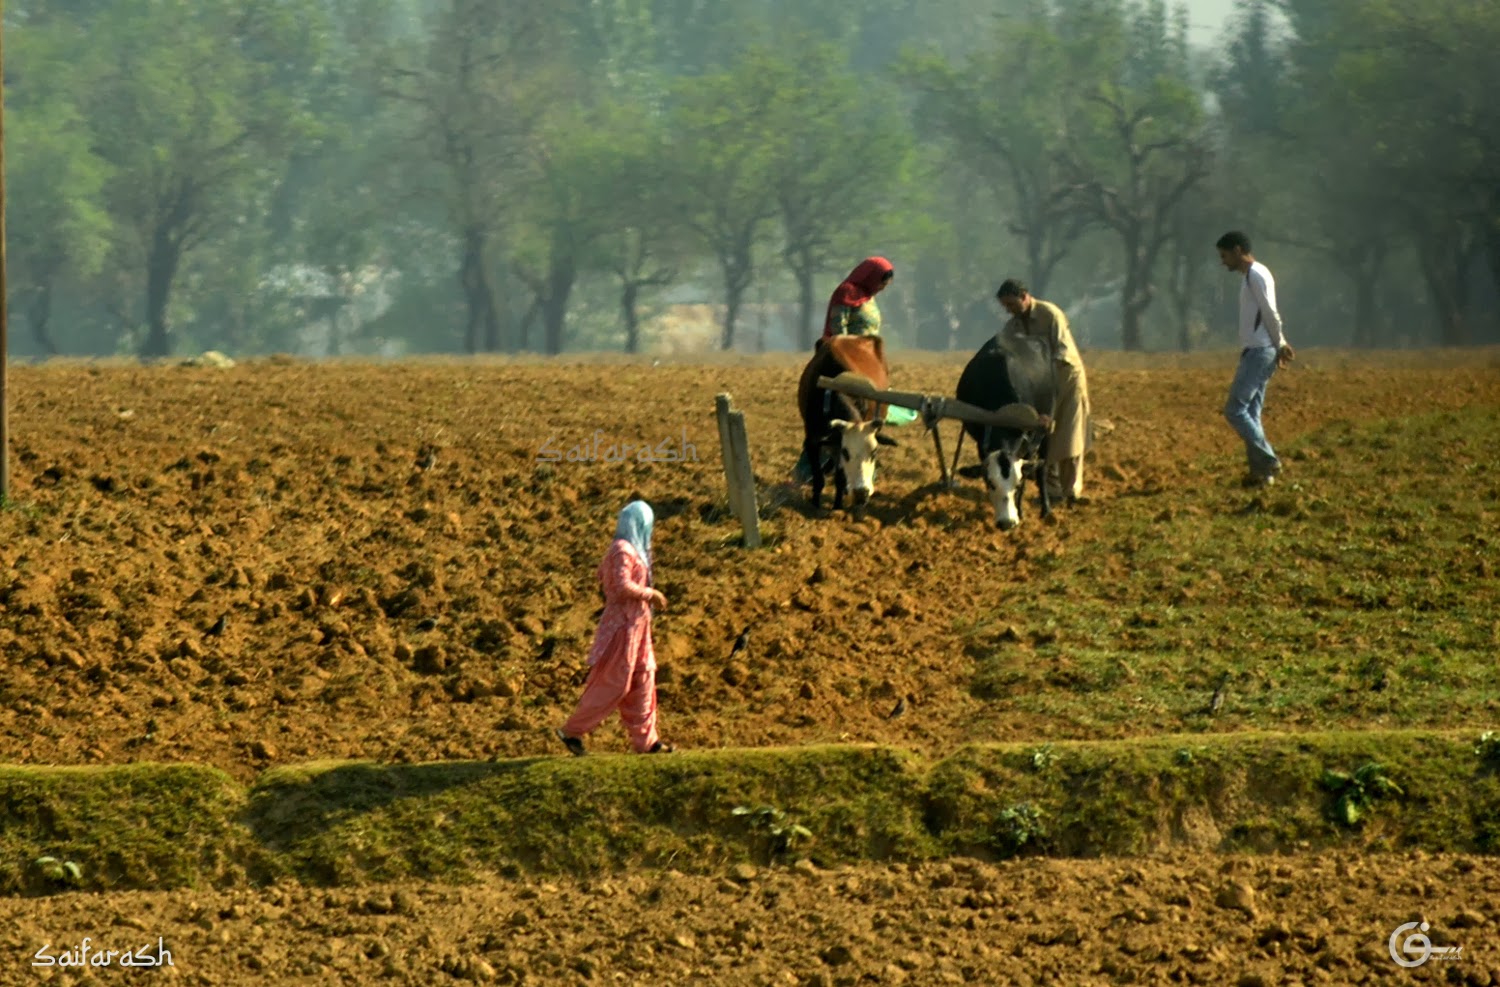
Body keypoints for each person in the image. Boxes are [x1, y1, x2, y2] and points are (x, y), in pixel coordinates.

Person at [555, 500, 673, 756]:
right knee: (615, 682)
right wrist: (649, 594)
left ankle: (647, 742)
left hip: (639, 629)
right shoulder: (622, 551)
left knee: (643, 680)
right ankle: (572, 730)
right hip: (623, 628)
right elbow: (620, 586)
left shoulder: (637, 552)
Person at [994, 279, 1091, 504]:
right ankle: (1052, 490)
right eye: (1005, 307)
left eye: (1012, 304)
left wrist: (1050, 408)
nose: (1009, 310)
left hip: (1065, 378)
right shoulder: (1013, 326)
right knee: (1040, 435)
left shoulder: (1050, 315)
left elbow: (1060, 355)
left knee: (1068, 436)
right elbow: (1005, 351)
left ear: (1025, 296)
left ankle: (1070, 492)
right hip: (1038, 383)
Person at [1215, 231, 1294, 487]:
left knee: (1235, 410)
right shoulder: (1251, 275)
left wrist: (1280, 343)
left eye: (1225, 255)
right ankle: (1261, 476)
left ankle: (1268, 459)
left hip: (1260, 351)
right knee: (1251, 412)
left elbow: (1270, 312)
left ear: (1238, 250)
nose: (1223, 261)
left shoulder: (1256, 275)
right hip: (1258, 350)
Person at [819, 256, 894, 345]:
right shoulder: (847, 291)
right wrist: (847, 350)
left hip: (868, 350)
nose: (883, 288)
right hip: (850, 352)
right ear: (872, 277)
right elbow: (838, 325)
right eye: (882, 284)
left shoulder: (868, 296)